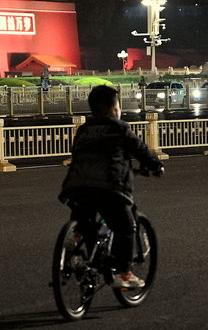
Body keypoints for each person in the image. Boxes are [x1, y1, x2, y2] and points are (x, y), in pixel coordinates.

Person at [59, 85, 165, 288]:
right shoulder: (119, 127)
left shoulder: (84, 130)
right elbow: (140, 149)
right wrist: (156, 165)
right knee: (125, 227)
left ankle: (78, 235)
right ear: (113, 108)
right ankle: (123, 273)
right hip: (110, 186)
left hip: (76, 186)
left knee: (86, 218)